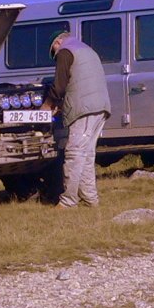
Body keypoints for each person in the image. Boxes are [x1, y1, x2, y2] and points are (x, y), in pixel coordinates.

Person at [42, 31, 111, 207]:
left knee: (74, 154)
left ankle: (68, 201)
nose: (55, 56)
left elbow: (59, 85)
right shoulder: (87, 50)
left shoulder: (65, 52)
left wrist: (48, 105)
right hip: (101, 107)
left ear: (58, 42)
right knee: (87, 155)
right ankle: (90, 199)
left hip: (84, 109)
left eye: (53, 52)